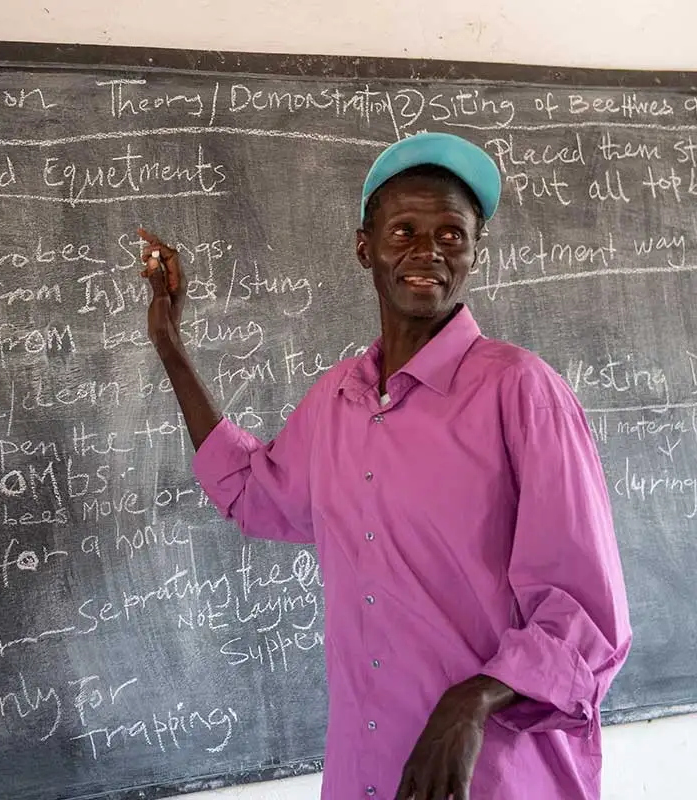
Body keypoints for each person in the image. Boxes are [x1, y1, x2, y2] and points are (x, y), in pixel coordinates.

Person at [136, 131, 632, 800]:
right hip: (366, 769)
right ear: (364, 247)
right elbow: (254, 494)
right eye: (403, 230)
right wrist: (171, 348)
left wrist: (473, 701)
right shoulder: (338, 400)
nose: (427, 250)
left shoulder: (521, 391)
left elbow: (585, 617)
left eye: (452, 234)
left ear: (475, 254)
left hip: (492, 774)